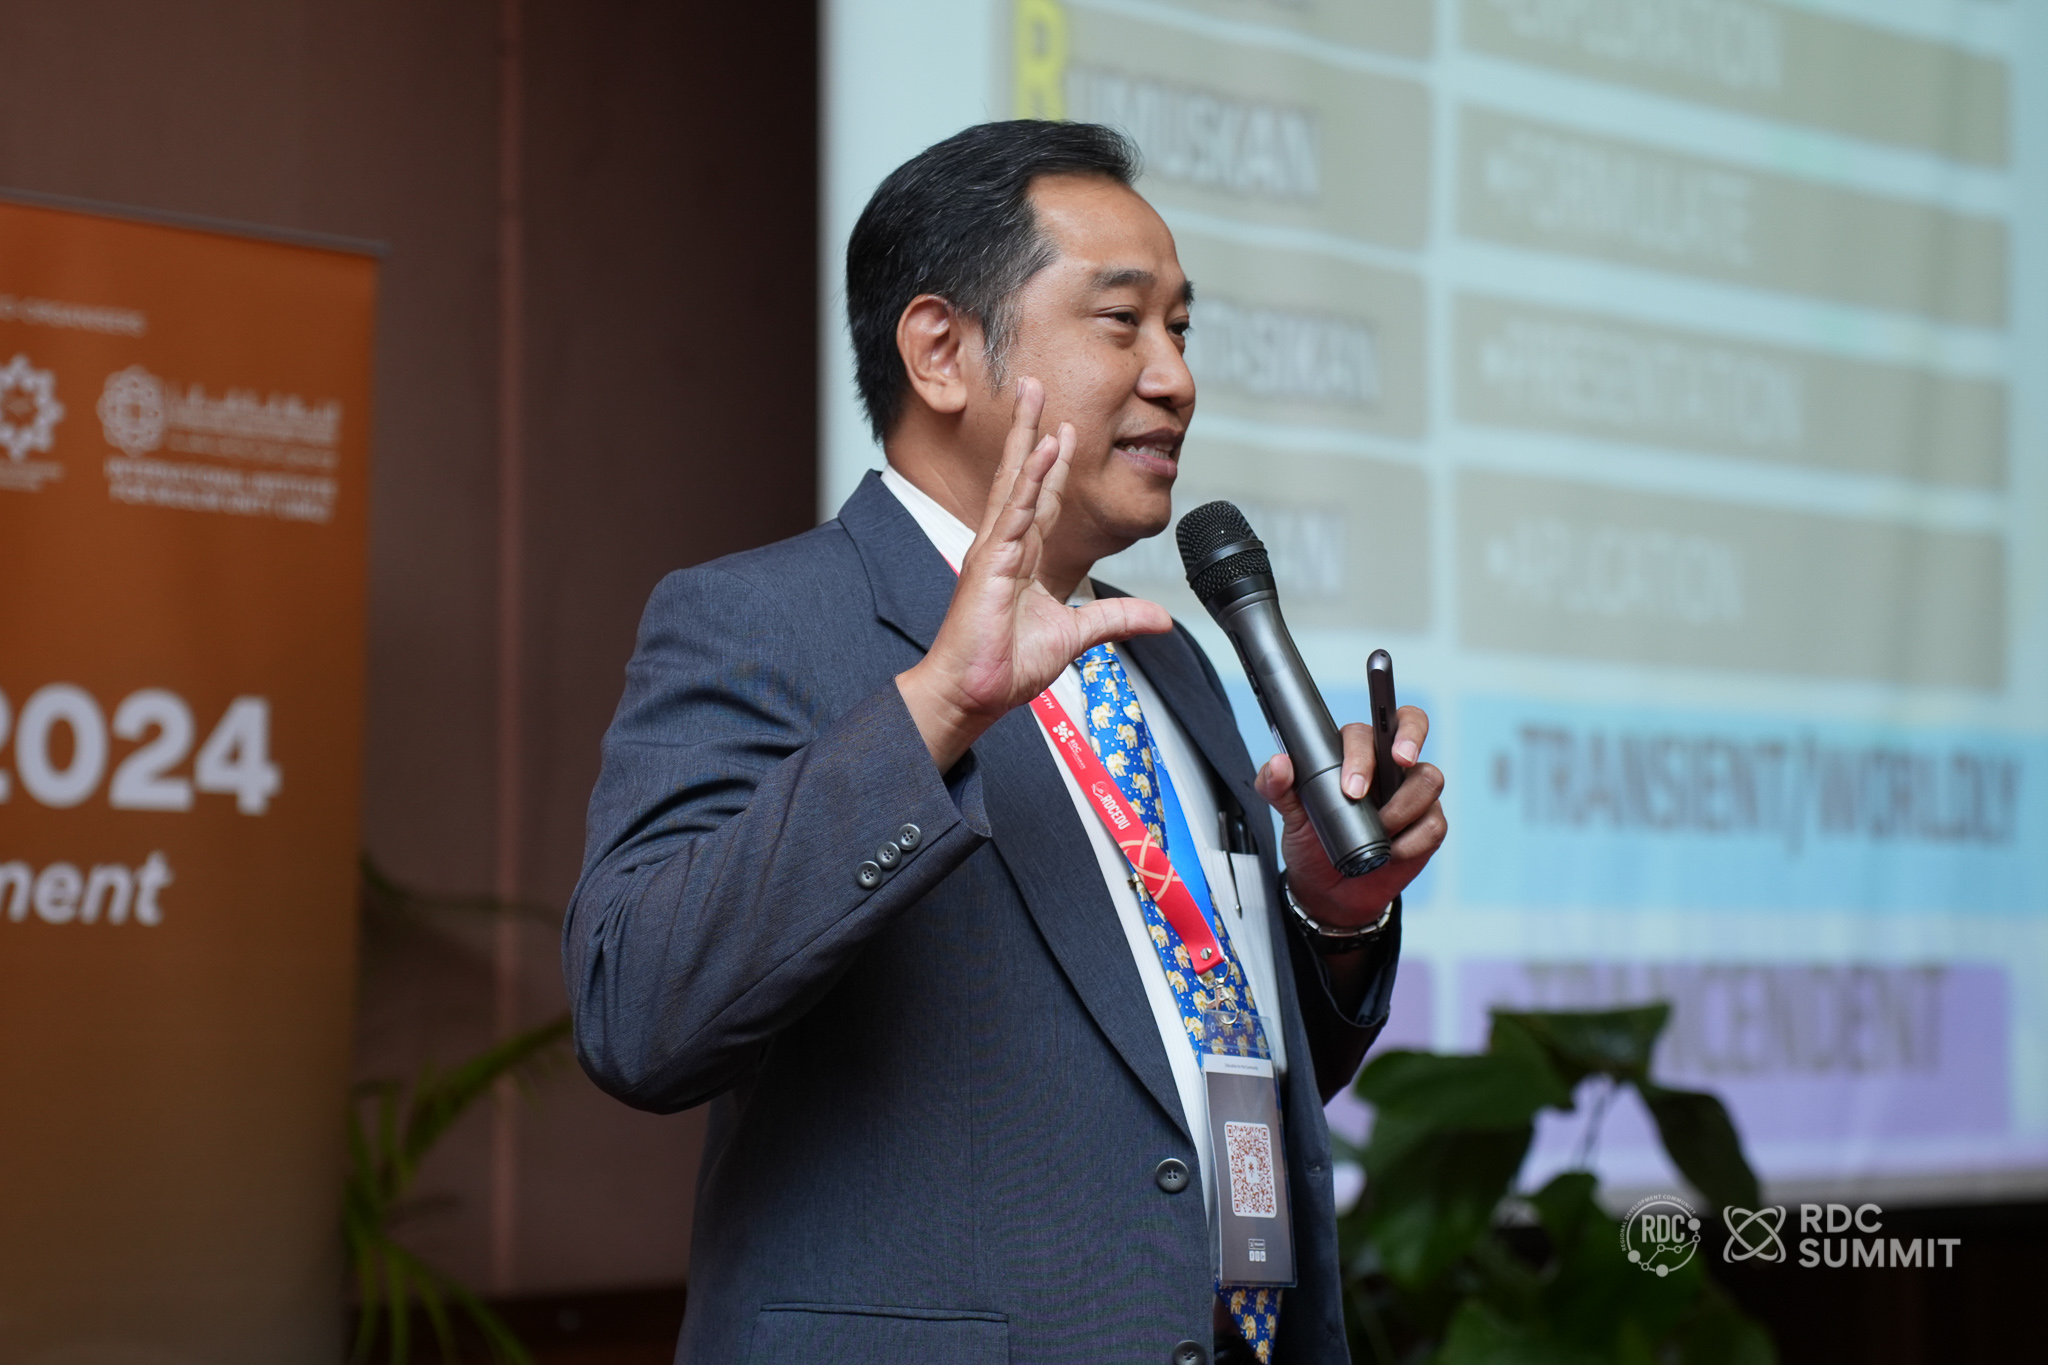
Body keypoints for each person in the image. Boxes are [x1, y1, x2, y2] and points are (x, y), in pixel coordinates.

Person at [564, 121, 1447, 1365]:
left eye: (1180, 329)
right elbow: (634, 1010)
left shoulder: (1162, 660)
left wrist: (1328, 914)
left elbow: (1178, 1066)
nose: (1175, 378)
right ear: (938, 352)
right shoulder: (761, 618)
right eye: (1120, 321)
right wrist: (935, 709)